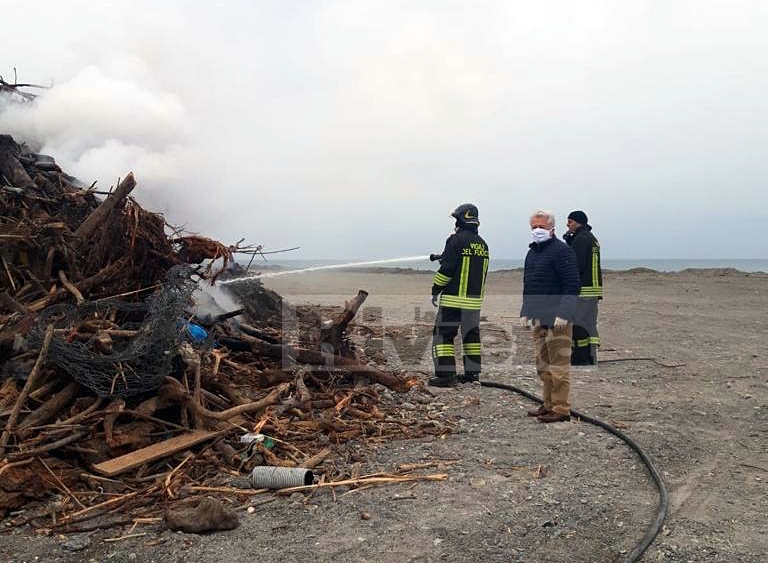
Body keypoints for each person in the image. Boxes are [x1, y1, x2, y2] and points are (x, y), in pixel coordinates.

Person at [519, 210, 580, 422]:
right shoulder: (532, 253)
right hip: (539, 317)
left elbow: (572, 285)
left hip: (558, 319)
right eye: (534, 227)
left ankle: (561, 409)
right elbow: (530, 284)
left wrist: (564, 313)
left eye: (541, 227)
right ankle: (548, 404)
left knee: (558, 368)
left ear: (552, 229)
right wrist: (525, 310)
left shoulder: (562, 252)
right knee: (543, 366)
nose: (537, 231)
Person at [429, 203, 490, 387]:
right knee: (471, 336)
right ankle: (472, 375)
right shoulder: (482, 244)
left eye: (456, 219)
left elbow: (447, 269)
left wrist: (435, 288)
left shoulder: (455, 240)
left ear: (462, 219)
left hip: (453, 300)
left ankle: (446, 376)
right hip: (474, 303)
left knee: (443, 336)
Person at [563, 210, 602, 365]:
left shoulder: (580, 239)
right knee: (589, 324)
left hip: (583, 290)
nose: (568, 225)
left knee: (578, 325)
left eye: (570, 222)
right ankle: (591, 356)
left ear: (579, 222)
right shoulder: (592, 239)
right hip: (594, 289)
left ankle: (580, 358)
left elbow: (576, 265)